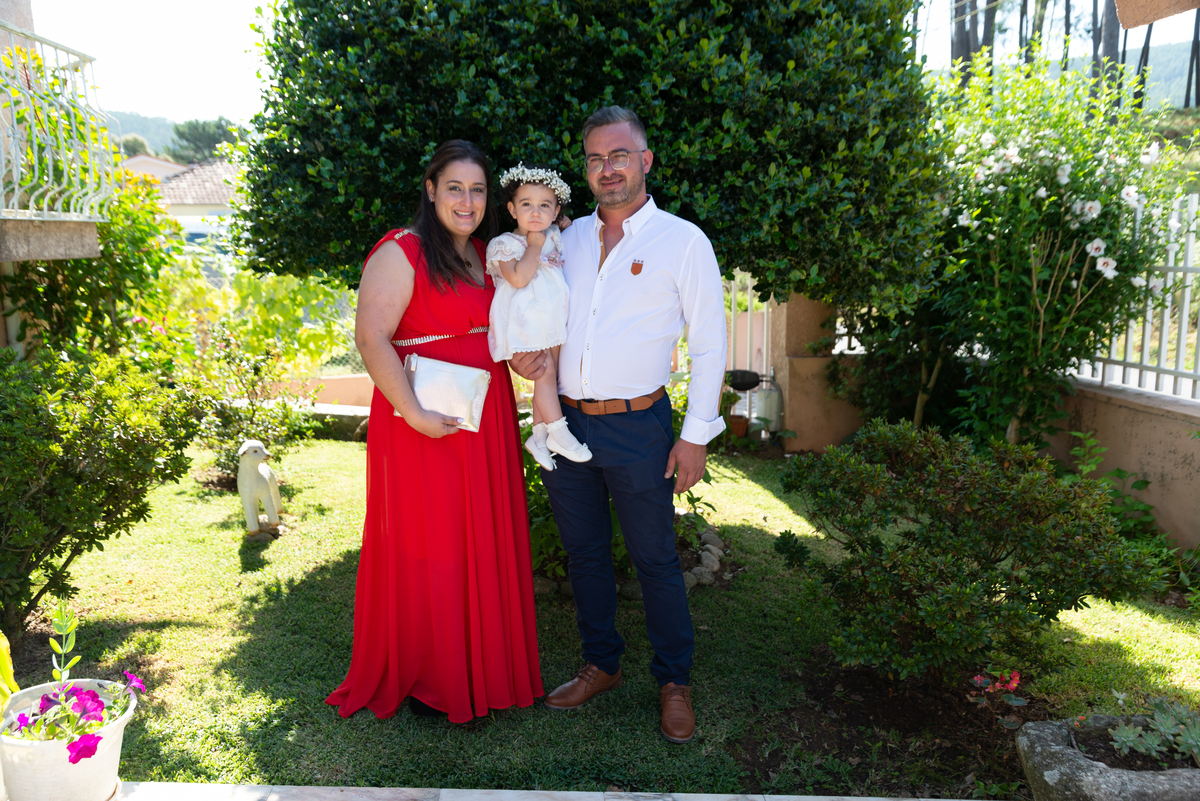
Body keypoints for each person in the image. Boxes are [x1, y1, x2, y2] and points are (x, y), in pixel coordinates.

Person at [511, 106, 728, 744]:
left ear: (645, 161)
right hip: (566, 422)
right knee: (584, 553)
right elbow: (538, 307)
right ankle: (601, 663)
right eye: (596, 159)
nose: (608, 169)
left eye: (620, 156)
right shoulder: (565, 239)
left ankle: (674, 680)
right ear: (586, 170)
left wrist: (695, 435)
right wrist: (527, 356)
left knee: (655, 557)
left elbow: (710, 344)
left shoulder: (683, 242)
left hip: (639, 425)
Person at [327, 140, 544, 724]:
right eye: (455, 188)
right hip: (422, 420)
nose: (467, 201)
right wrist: (414, 413)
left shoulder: (485, 254)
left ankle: (482, 667)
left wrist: (521, 362)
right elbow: (371, 337)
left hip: (485, 415)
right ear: (430, 190)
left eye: (477, 190)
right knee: (432, 541)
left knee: (481, 535)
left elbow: (496, 329)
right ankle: (431, 676)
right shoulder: (402, 250)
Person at [486, 162, 592, 470]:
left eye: (544, 205)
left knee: (549, 378)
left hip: (553, 321)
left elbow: (568, 232)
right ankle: (559, 432)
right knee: (544, 374)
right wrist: (533, 246)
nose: (535, 212)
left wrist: (561, 225)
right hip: (525, 324)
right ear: (512, 209)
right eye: (526, 205)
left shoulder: (554, 234)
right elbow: (518, 278)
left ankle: (539, 435)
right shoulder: (504, 244)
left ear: (555, 210)